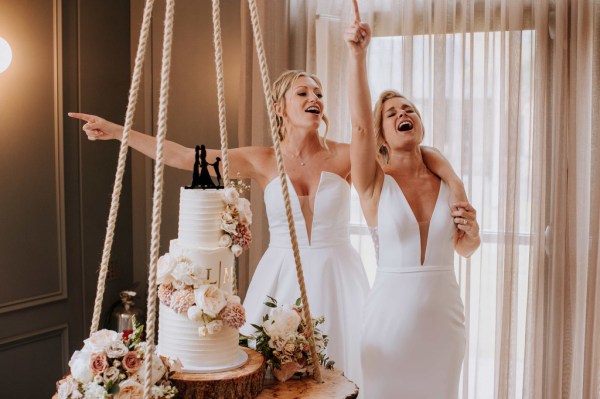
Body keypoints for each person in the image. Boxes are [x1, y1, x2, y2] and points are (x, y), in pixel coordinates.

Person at [68, 69, 463, 386]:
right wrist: (119, 132)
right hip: (280, 277)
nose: (314, 99)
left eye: (319, 94)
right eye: (303, 93)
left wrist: (451, 177)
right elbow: (186, 156)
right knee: (274, 379)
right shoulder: (260, 160)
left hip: (338, 276)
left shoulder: (345, 155)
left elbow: (411, 152)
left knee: (344, 376)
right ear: (279, 107)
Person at [345, 17, 481, 398]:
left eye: (410, 110)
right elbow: (358, 127)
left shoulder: (447, 182)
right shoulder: (374, 184)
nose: (404, 114)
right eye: (392, 114)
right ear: (382, 134)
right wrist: (357, 55)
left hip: (445, 324)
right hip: (389, 327)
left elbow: (465, 249)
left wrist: (473, 233)